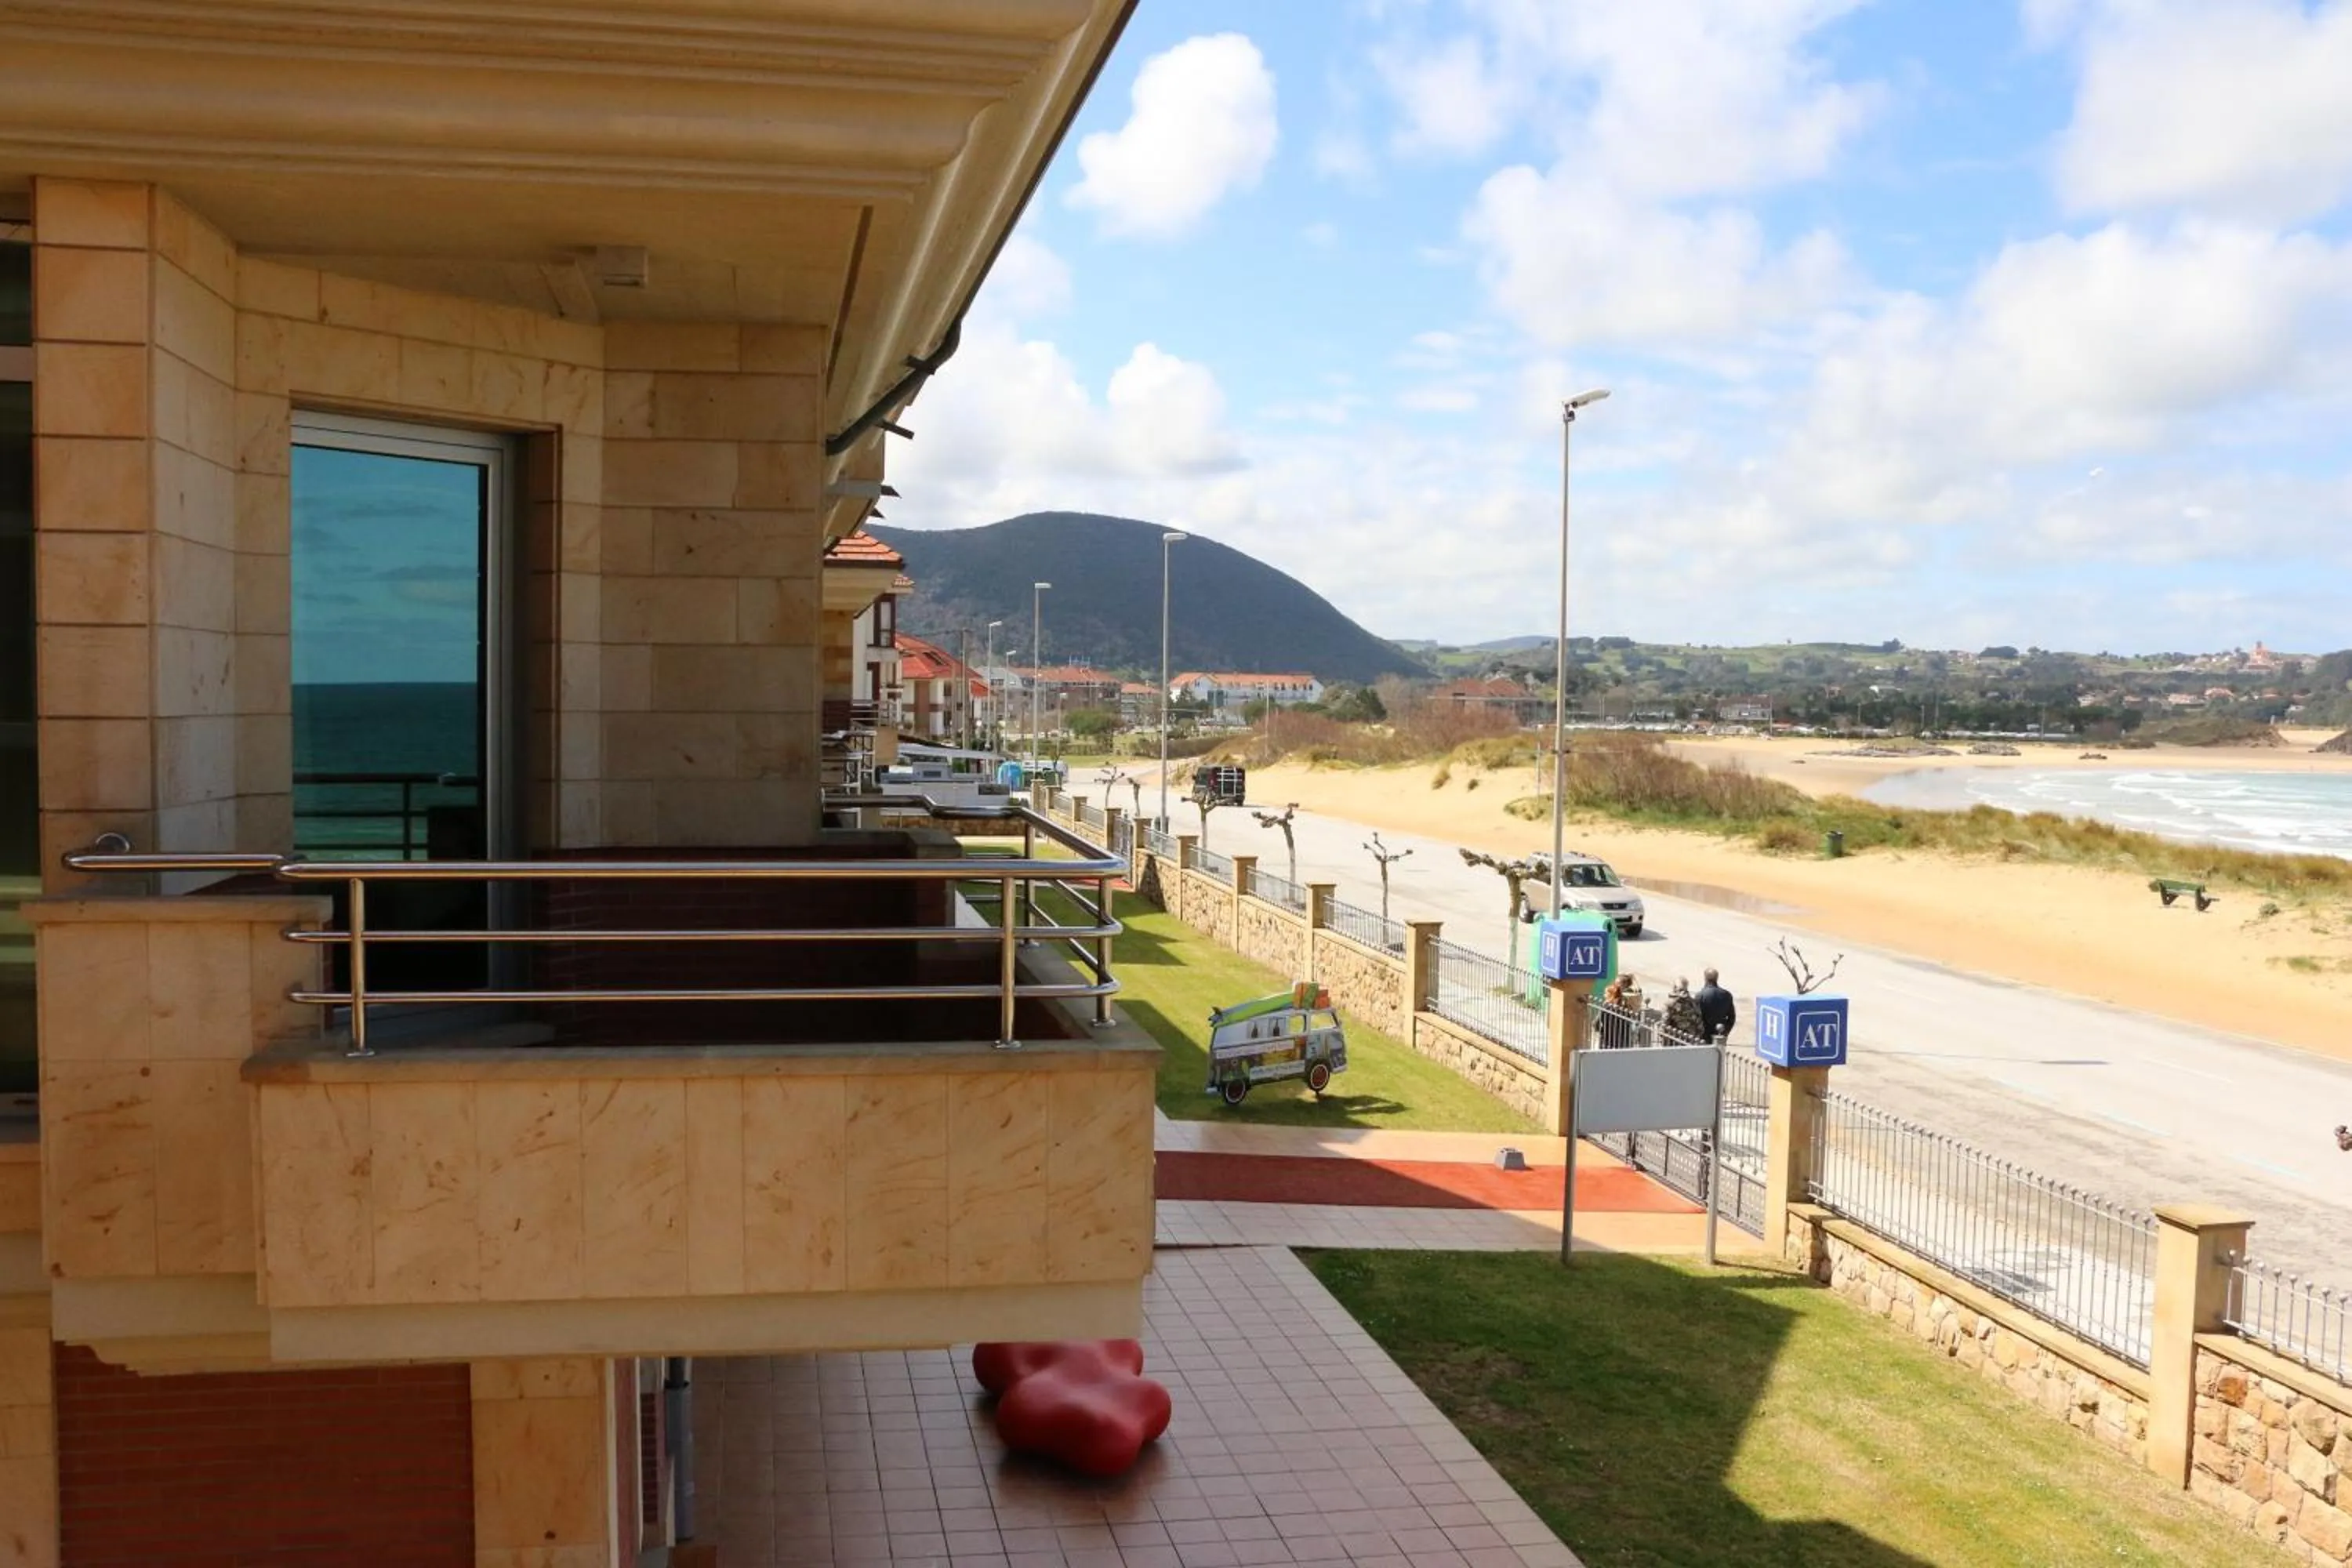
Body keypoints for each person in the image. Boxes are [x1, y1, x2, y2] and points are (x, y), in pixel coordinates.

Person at [1696, 967, 1737, 1044]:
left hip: (1703, 1036)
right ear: (1717, 978)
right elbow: (1732, 1017)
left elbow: (1696, 1016)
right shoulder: (1727, 995)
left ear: (1705, 978)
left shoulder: (1700, 995)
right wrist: (1725, 1031)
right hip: (1720, 1034)